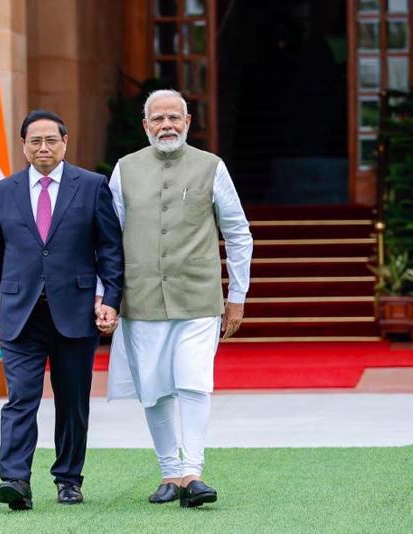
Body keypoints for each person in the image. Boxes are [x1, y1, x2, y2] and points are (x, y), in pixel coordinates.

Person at [107, 89, 253, 507]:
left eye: (175, 117)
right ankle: (169, 473)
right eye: (158, 119)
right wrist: (107, 296)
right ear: (146, 126)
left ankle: (194, 472)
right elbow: (108, 239)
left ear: (188, 122)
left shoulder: (212, 167)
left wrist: (237, 295)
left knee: (193, 383)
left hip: (198, 297)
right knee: (153, 390)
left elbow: (238, 233)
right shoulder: (125, 169)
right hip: (142, 299)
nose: (167, 125)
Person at [0, 110, 123, 509]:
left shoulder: (92, 186)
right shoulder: (3, 190)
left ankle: (68, 479)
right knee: (20, 399)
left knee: (73, 401)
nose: (43, 148)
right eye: (35, 141)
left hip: (75, 313)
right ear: (23, 145)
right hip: (19, 314)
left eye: (51, 141)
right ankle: (14, 480)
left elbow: (110, 249)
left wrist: (110, 299)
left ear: (65, 143)